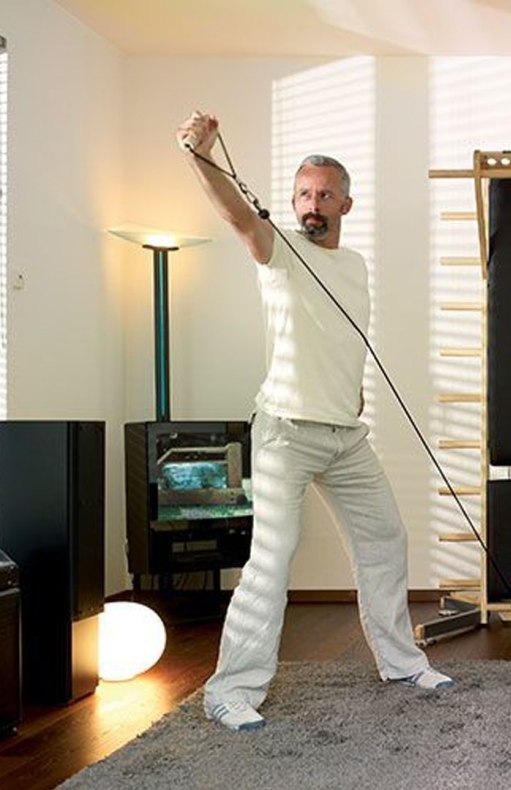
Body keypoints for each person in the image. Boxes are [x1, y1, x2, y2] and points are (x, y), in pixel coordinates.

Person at [177, 110, 452, 733]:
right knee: (271, 560)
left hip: (344, 436)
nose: (312, 204)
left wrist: (351, 390)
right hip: (285, 432)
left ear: (345, 204)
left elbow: (340, 337)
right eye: (303, 193)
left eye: (325, 194)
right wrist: (201, 153)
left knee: (385, 538)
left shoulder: (353, 266)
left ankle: (401, 664)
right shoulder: (277, 248)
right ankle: (231, 690)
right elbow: (236, 213)